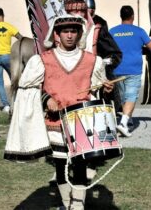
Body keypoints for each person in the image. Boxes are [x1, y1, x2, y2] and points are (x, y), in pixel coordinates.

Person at [42, 15, 114, 209]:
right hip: (55, 121)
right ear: (56, 34)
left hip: (81, 119)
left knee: (80, 164)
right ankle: (67, 203)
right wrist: (47, 98)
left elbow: (97, 87)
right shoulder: (43, 59)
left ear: (80, 33)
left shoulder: (92, 60)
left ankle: (78, 204)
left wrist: (105, 88)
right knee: (60, 165)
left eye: (73, 31)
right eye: (65, 31)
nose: (69, 35)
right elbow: (33, 89)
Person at [110, 5, 151, 137]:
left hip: (117, 68)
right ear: (132, 16)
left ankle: (128, 119)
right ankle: (123, 123)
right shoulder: (139, 31)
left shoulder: (112, 31)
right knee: (131, 96)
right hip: (133, 69)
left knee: (124, 95)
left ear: (121, 16)